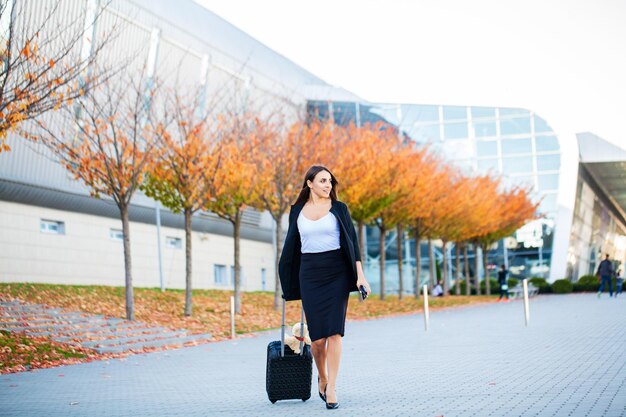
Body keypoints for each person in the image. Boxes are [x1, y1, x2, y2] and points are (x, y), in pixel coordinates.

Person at [278, 165, 371, 410]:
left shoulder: (339, 209)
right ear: (309, 183)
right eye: (322, 181)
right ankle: (322, 376)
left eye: (329, 181)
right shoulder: (297, 211)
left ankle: (332, 387)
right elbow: (292, 247)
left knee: (335, 333)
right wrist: (287, 277)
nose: (328, 185)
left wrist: (360, 277)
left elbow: (353, 243)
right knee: (318, 339)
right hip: (309, 273)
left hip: (337, 272)